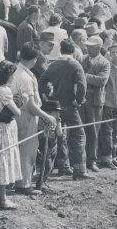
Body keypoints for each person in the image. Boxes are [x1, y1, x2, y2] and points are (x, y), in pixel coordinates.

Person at [40, 39, 88, 179]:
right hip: (69, 105)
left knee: (61, 135)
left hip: (56, 105)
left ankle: (63, 166)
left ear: (61, 50)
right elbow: (82, 86)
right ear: (73, 51)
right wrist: (78, 100)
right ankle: (79, 169)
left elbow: (42, 81)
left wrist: (47, 94)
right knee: (79, 135)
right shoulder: (75, 64)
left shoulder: (53, 65)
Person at [11, 44, 55, 193]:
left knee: (23, 149)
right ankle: (24, 184)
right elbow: (30, 105)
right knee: (27, 150)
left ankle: (20, 181)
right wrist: (46, 116)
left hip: (20, 114)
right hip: (26, 116)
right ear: (34, 59)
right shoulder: (24, 76)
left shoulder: (18, 71)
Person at [0, 60, 22, 209]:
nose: (13, 77)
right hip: (5, 128)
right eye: (12, 74)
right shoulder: (5, 91)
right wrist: (21, 101)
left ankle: (0, 196)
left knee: (0, 161)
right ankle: (2, 199)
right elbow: (17, 112)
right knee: (4, 161)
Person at [81, 36, 110, 172]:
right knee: (80, 130)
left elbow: (102, 81)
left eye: (91, 46)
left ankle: (92, 160)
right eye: (87, 46)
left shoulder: (104, 62)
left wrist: (84, 76)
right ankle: (80, 160)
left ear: (98, 48)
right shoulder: (82, 59)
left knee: (93, 131)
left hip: (96, 101)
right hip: (81, 99)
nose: (88, 48)